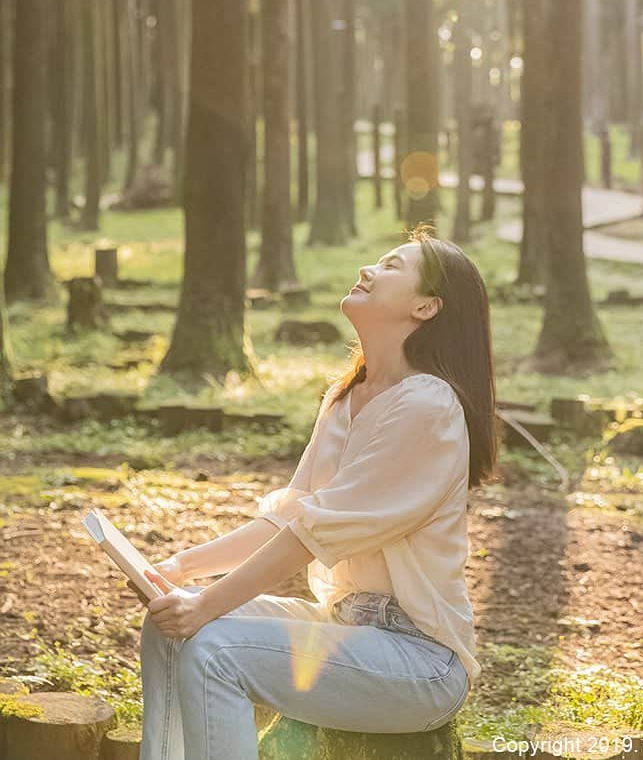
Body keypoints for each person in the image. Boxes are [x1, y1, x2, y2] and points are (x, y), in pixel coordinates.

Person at [132, 224, 497, 760]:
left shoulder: (428, 406)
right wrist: (180, 570)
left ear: (426, 307)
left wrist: (208, 604)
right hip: (342, 627)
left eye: (392, 266)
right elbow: (289, 516)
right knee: (169, 629)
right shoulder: (347, 394)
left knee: (213, 649)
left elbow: (311, 533)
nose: (367, 270)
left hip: (419, 659)